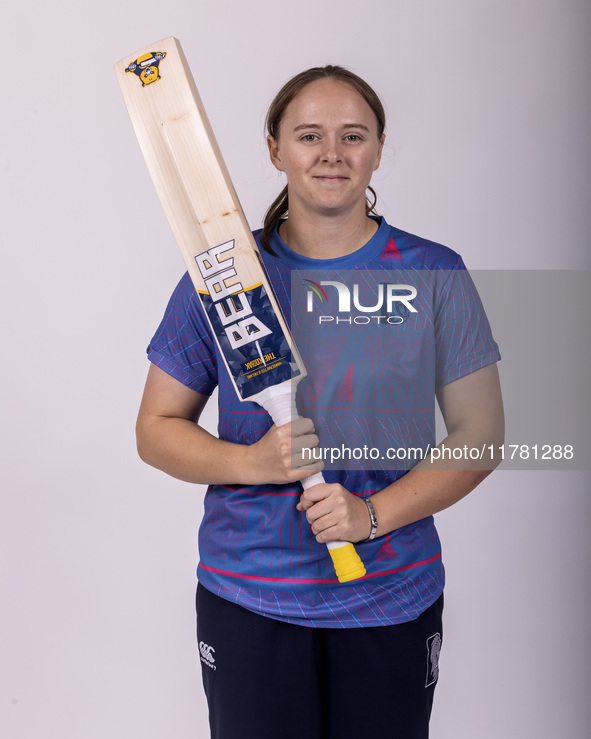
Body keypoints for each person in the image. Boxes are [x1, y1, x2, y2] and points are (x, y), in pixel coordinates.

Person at [136, 65, 504, 739]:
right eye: (308, 135)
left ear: (378, 147)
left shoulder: (432, 273)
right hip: (248, 597)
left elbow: (480, 433)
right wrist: (256, 462)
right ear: (275, 149)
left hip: (391, 595)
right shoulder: (223, 279)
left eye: (351, 135)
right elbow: (156, 429)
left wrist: (371, 513)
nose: (331, 153)